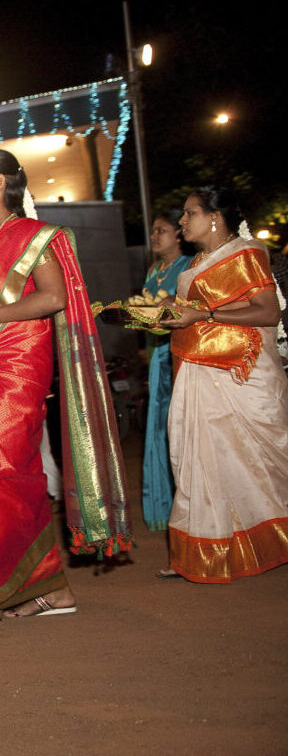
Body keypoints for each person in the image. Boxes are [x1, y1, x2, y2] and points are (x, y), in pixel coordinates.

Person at [0, 149, 131, 637]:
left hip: (17, 367)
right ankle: (49, 586)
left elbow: (54, 297)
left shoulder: (35, 235)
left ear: (0, 183)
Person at [157, 186, 288, 582]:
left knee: (255, 465)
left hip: (240, 375)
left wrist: (202, 315)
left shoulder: (245, 254)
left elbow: (267, 312)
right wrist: (172, 311)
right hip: (202, 371)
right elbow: (201, 310)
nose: (182, 221)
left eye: (190, 213)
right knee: (204, 463)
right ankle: (209, 551)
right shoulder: (200, 261)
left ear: (215, 218)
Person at [140, 210, 196, 531]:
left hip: (179, 352)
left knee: (181, 424)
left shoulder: (190, 266)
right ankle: (163, 504)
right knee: (159, 425)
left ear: (178, 234)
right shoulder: (154, 269)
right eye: (153, 231)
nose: (154, 236)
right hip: (155, 352)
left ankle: (190, 503)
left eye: (161, 230)